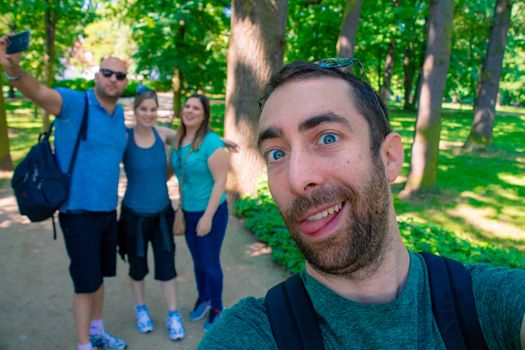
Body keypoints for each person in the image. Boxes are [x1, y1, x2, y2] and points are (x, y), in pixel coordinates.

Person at [198, 60, 525, 349]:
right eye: (277, 154)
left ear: (389, 158)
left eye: (327, 138)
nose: (297, 180)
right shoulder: (253, 333)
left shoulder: (487, 304)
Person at [1, 39, 127, 349]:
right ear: (96, 76)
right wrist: (14, 69)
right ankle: (84, 345)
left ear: (125, 82)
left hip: (107, 212)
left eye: (120, 75)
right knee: (86, 285)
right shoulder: (74, 104)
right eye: (107, 72)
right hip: (77, 214)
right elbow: (39, 92)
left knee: (98, 279)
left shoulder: (120, 114)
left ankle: (97, 332)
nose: (113, 79)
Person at [117, 90, 185, 341]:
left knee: (167, 266)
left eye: (152, 109)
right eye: (143, 109)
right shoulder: (125, 138)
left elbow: (194, 140)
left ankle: (173, 313)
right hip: (133, 216)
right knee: (137, 268)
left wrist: (220, 141)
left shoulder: (164, 134)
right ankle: (141, 309)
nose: (148, 114)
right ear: (134, 110)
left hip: (162, 215)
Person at [171, 93, 230, 332]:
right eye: (187, 106)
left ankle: (217, 306)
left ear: (204, 114)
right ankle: (203, 298)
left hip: (211, 213)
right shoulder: (178, 139)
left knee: (210, 263)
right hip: (188, 211)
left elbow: (220, 181)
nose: (190, 111)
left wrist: (207, 216)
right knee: (197, 262)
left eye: (196, 108)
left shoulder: (211, 142)